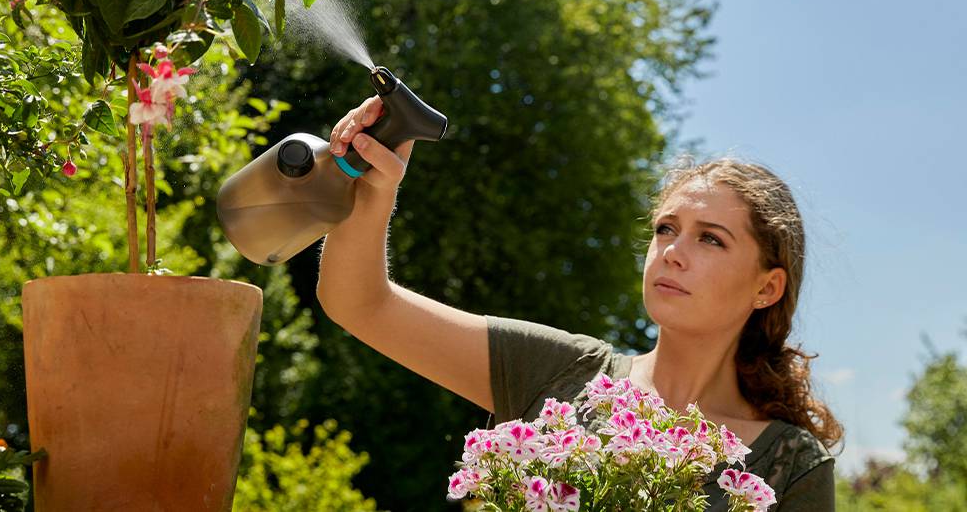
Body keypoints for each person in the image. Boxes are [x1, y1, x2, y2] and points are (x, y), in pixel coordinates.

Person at [316, 96, 842, 510]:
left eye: (711, 239)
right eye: (666, 229)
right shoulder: (560, 372)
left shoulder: (789, 466)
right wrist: (374, 189)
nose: (673, 253)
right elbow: (358, 303)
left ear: (766, 288)